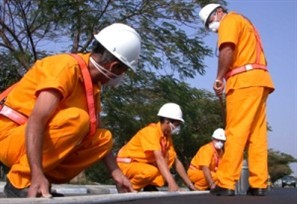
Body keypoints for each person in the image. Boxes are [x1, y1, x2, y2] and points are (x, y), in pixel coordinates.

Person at [0, 23, 141, 198]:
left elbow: (97, 132)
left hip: (28, 141)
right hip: (9, 137)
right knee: (77, 119)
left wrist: (116, 173)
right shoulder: (65, 67)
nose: (122, 77)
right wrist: (35, 174)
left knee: (103, 138)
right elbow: (37, 120)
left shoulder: (91, 85)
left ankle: (42, 182)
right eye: (124, 71)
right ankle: (21, 181)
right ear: (114, 67)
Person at [198, 4, 275, 196]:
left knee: (235, 132)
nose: (212, 27)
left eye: (210, 22)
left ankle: (226, 182)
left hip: (243, 81)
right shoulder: (245, 22)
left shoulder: (229, 21)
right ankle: (258, 184)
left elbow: (227, 49)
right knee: (257, 136)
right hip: (260, 80)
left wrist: (219, 78)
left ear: (218, 13)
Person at [116, 103, 196, 192]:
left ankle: (148, 186)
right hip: (126, 164)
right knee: (151, 171)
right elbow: (159, 158)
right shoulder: (151, 132)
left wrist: (190, 184)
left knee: (166, 166)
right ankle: (127, 188)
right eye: (176, 125)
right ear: (167, 122)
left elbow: (176, 161)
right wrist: (172, 183)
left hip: (140, 164)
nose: (177, 129)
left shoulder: (167, 137)